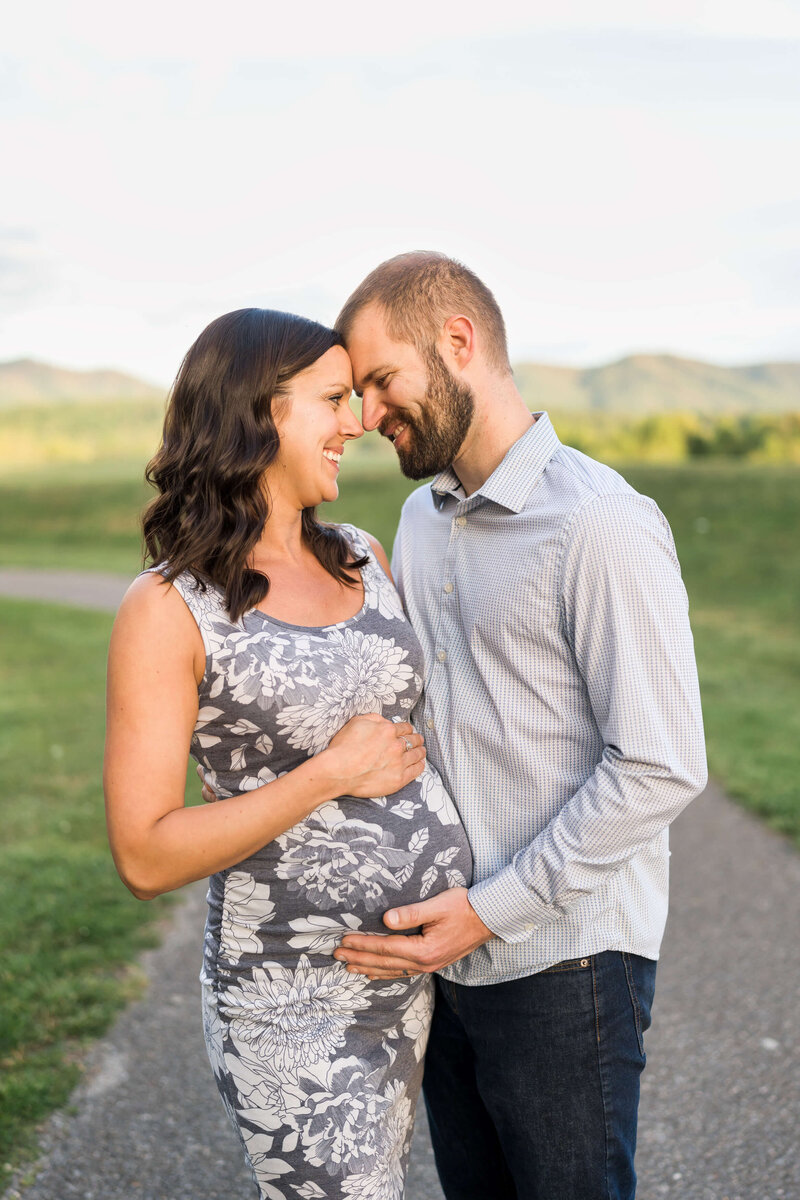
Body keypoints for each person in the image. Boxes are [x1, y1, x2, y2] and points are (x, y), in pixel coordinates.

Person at [330, 252, 708, 1200]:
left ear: (458, 341)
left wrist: (488, 911)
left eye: (382, 380)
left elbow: (661, 766)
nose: (369, 416)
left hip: (566, 962)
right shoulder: (419, 517)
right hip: (445, 963)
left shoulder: (600, 524)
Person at [103, 307, 472, 1200]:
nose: (357, 423)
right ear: (257, 413)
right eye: (332, 400)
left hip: (423, 979)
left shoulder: (361, 555)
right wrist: (327, 775)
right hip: (291, 997)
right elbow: (146, 854)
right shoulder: (167, 610)